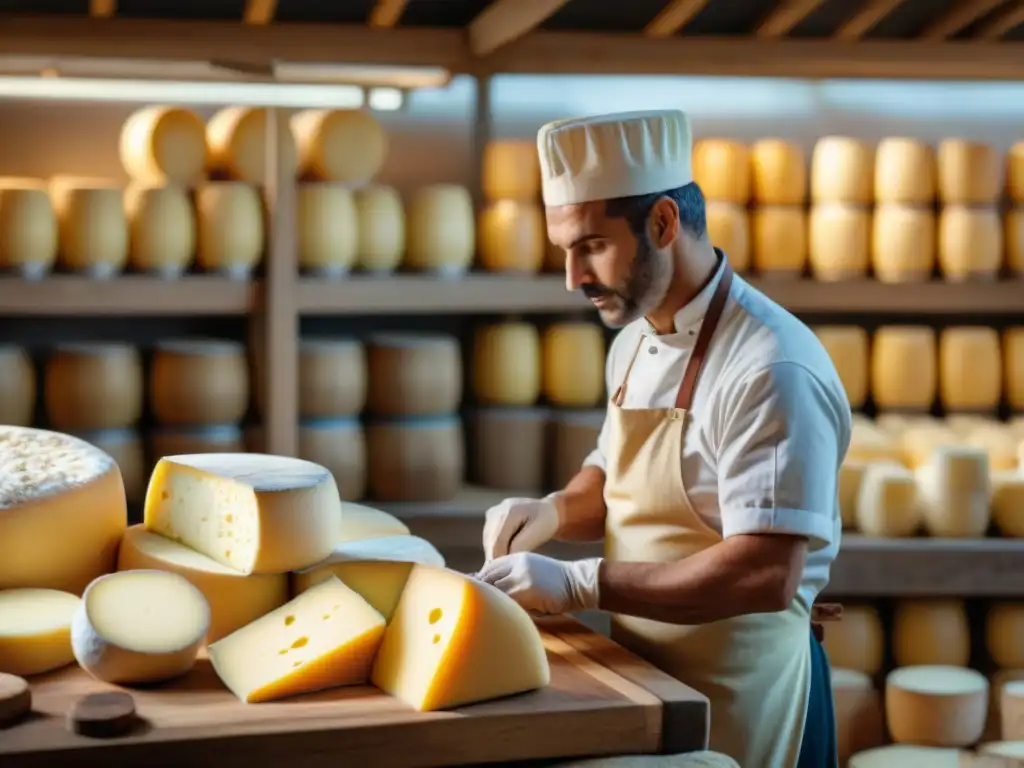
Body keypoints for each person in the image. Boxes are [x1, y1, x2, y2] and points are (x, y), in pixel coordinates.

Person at [476, 109, 850, 768]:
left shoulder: (770, 366)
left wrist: (581, 584)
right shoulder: (633, 343)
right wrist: (554, 511)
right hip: (650, 685)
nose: (572, 277)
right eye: (565, 249)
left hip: (750, 697)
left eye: (590, 245)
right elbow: (613, 478)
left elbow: (766, 571)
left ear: (663, 224)